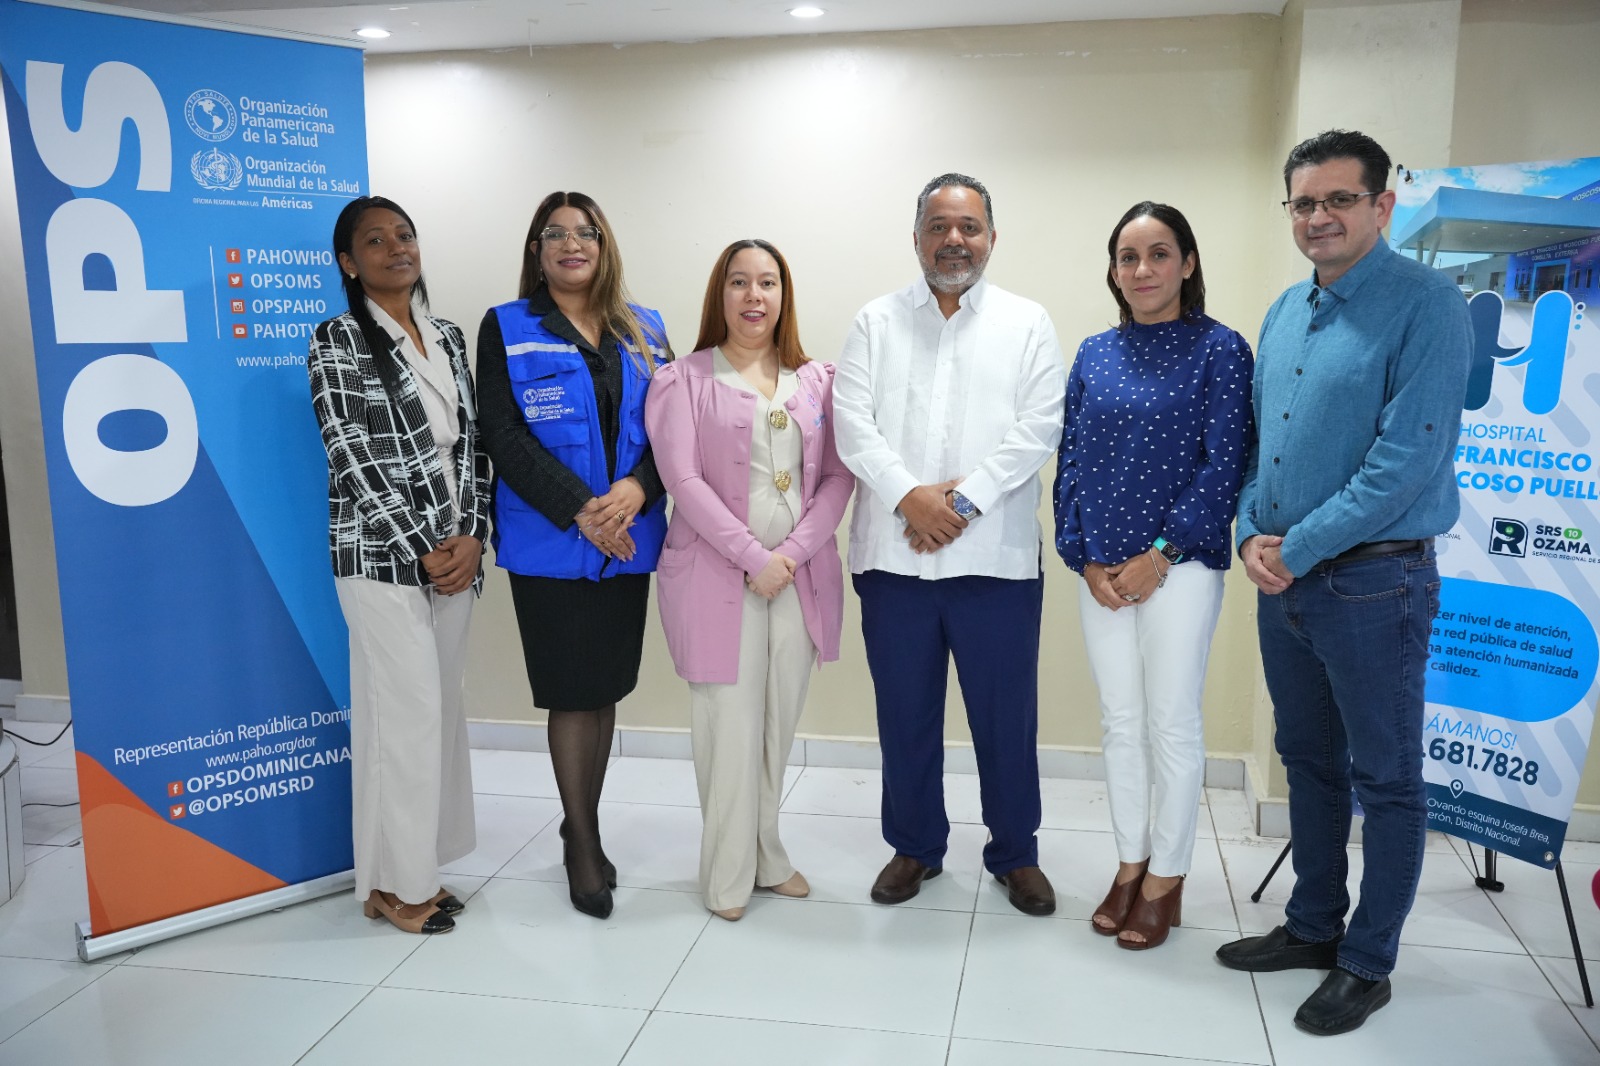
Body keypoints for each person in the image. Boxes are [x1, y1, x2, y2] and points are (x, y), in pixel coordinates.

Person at [1215, 130, 1471, 1035]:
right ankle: (1313, 925)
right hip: (1284, 584)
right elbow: (1261, 446)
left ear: (1381, 205)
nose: (1318, 217)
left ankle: (1367, 961)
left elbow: (1405, 463)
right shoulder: (1286, 310)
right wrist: (1251, 531)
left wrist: (1297, 546)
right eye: (1303, 203)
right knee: (1309, 761)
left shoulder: (1429, 307)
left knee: (1386, 777)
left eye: (1338, 200)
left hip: (1375, 585)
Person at [834, 173, 1066, 916]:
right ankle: (914, 847)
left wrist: (958, 504)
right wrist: (911, 497)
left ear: (992, 237)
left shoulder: (1027, 323)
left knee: (1006, 719)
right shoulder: (875, 321)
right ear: (916, 239)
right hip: (893, 559)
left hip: (994, 561)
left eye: (969, 226)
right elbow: (851, 424)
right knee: (904, 714)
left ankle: (1015, 853)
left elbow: (1040, 427)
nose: (954, 240)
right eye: (938, 226)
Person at [1054, 202, 1254, 949]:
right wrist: (1083, 556)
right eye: (1128, 257)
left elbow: (1224, 464)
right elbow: (1070, 462)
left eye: (1159, 254)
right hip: (1102, 569)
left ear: (1188, 263)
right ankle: (1130, 863)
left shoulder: (1220, 350)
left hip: (1181, 565)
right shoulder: (1094, 353)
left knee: (1170, 720)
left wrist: (1161, 554)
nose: (1142, 270)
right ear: (1113, 271)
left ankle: (1167, 878)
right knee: (1120, 722)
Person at [646, 239, 854, 921]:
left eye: (768, 282)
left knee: (775, 724)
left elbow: (837, 477)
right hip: (716, 576)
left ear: (784, 295)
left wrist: (789, 554)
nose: (754, 295)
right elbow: (682, 481)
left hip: (799, 576)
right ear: (720, 294)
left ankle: (767, 855)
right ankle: (726, 877)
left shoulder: (817, 380)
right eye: (739, 282)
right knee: (729, 728)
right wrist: (752, 558)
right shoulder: (683, 380)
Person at [476, 191, 670, 920]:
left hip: (628, 537)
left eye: (584, 232)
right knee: (570, 692)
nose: (570, 244)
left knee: (605, 687)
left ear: (603, 244)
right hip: (552, 542)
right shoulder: (507, 326)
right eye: (553, 234)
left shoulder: (645, 328)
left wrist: (636, 489)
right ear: (537, 251)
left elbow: (674, 429)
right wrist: (585, 510)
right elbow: (502, 433)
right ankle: (582, 842)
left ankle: (578, 822)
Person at [308, 195, 488, 935]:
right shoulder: (338, 338)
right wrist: (422, 544)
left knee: (434, 714)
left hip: (455, 551)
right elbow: (349, 453)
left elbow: (473, 445)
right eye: (375, 241)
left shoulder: (446, 336)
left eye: (404, 235)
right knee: (402, 717)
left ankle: (415, 871)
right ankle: (395, 887)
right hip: (378, 555)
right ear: (349, 263)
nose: (396, 248)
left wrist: (472, 534)